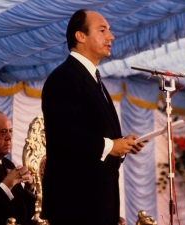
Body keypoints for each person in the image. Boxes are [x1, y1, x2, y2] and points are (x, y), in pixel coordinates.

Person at [41, 9, 146, 225]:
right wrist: (110, 146)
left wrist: (122, 145)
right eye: (102, 30)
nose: (111, 36)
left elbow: (95, 131)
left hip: (98, 202)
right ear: (80, 36)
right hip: (75, 202)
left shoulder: (93, 77)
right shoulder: (63, 77)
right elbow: (64, 134)